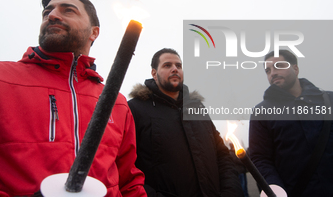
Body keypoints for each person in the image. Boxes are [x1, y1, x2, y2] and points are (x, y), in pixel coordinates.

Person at [0, 0, 146, 197]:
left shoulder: (117, 103)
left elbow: (129, 180)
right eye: (47, 12)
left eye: (68, 10)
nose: (52, 15)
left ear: (94, 32)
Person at [128, 48, 243, 197]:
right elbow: (127, 167)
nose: (175, 69)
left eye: (179, 65)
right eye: (167, 65)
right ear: (154, 74)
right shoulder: (135, 109)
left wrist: (230, 192)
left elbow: (221, 154)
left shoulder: (197, 108)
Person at [249, 50, 333, 197]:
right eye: (268, 70)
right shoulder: (262, 112)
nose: (272, 73)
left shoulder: (329, 100)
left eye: (278, 66)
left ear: (296, 68)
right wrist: (274, 188)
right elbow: (260, 158)